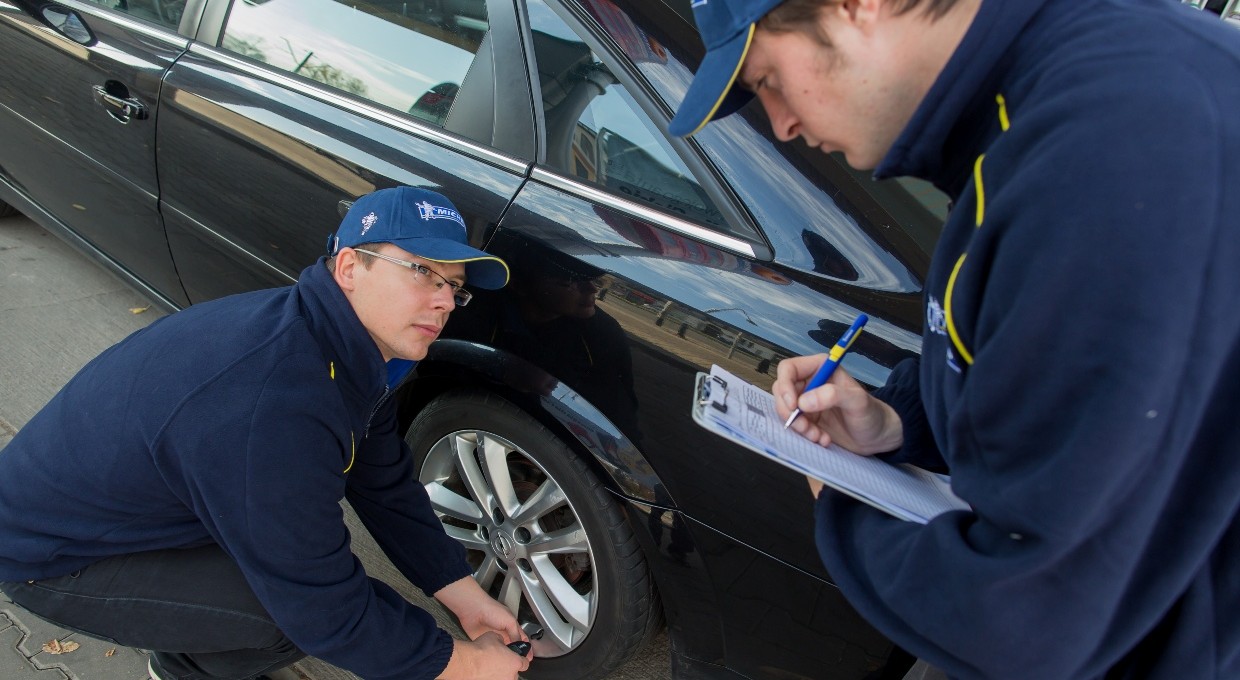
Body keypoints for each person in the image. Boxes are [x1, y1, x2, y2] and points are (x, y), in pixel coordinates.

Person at [670, 1, 1240, 679]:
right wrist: (896, 424)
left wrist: (843, 502)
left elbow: (1036, 617)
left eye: (768, 81)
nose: (782, 124)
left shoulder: (1111, 154)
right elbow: (1041, 391)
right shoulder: (1027, 103)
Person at [0, 186, 533, 680]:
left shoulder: (348, 347)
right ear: (350, 267)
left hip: (137, 508)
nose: (444, 301)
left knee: (287, 571)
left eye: (453, 286)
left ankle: (193, 637)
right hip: (52, 557)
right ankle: (184, 669)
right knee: (284, 621)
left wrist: (462, 594)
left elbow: (383, 481)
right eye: (422, 271)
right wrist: (462, 665)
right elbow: (322, 608)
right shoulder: (273, 401)